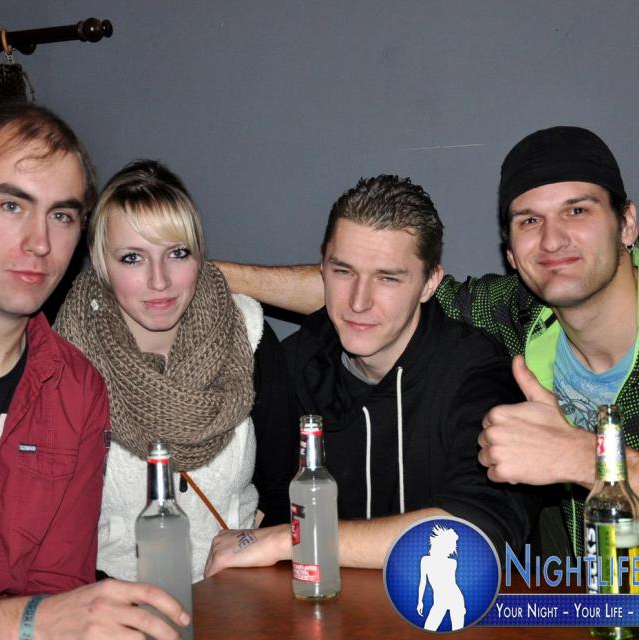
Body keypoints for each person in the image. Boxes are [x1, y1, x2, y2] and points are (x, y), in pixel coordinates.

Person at [216, 126, 639, 558]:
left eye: (577, 211)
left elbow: (478, 535)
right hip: (584, 590)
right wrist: (197, 275)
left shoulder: (480, 363)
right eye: (529, 220)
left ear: (626, 223)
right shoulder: (512, 313)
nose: (551, 239)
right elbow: (376, 291)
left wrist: (583, 459)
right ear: (511, 251)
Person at [207, 174, 537, 574]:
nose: (359, 302)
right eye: (343, 272)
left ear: (430, 283)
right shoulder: (293, 365)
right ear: (322, 267)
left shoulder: (476, 374)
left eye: (387, 278)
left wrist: (292, 539)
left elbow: (476, 538)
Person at [0, 101, 188, 639]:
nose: (40, 242)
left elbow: (60, 588)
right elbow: (47, 617)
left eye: (61, 216)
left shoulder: (77, 388)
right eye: (11, 205)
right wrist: (30, 620)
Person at [54, 160, 296, 581]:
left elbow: (287, 493)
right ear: (100, 261)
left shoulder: (249, 335)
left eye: (177, 253)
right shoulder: (65, 356)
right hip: (109, 597)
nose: (160, 281)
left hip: (237, 593)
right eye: (133, 258)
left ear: (199, 254)